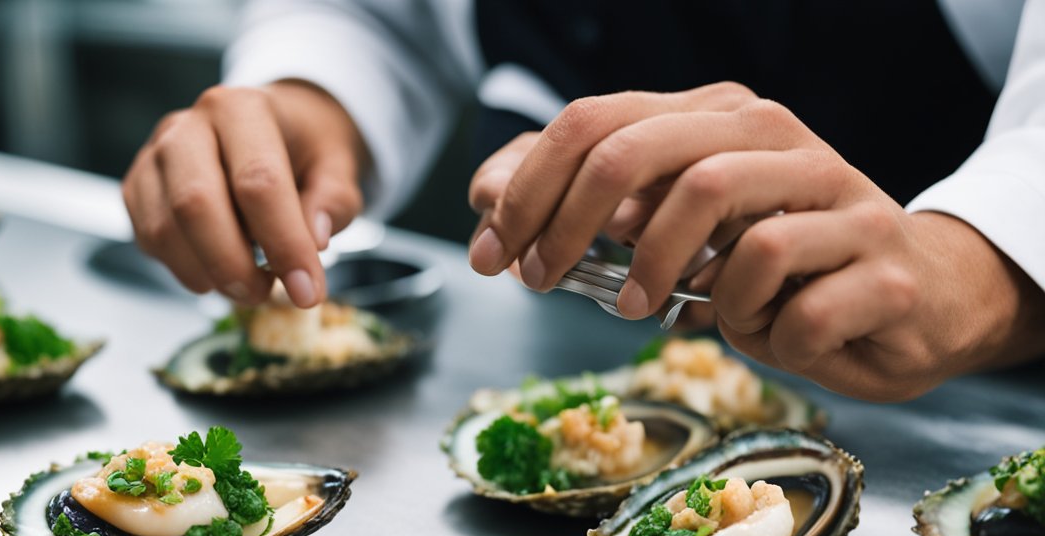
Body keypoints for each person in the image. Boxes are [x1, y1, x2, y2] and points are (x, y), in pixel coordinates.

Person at [122, 0, 1045, 402]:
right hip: (543, 359)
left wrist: (980, 261)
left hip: (985, 410)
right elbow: (371, 11)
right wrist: (309, 92)